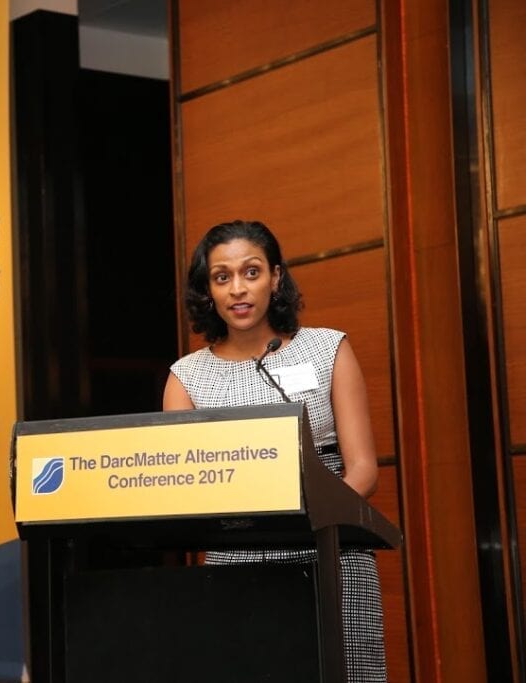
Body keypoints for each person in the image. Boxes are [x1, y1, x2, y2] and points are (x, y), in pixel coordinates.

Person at [163, 219, 385, 682]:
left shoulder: (328, 349)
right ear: (208, 290)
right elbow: (182, 483)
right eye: (222, 277)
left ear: (276, 277)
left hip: (330, 548)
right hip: (236, 554)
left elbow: (363, 468)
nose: (238, 289)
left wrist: (310, 520)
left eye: (252, 271)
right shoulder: (187, 376)